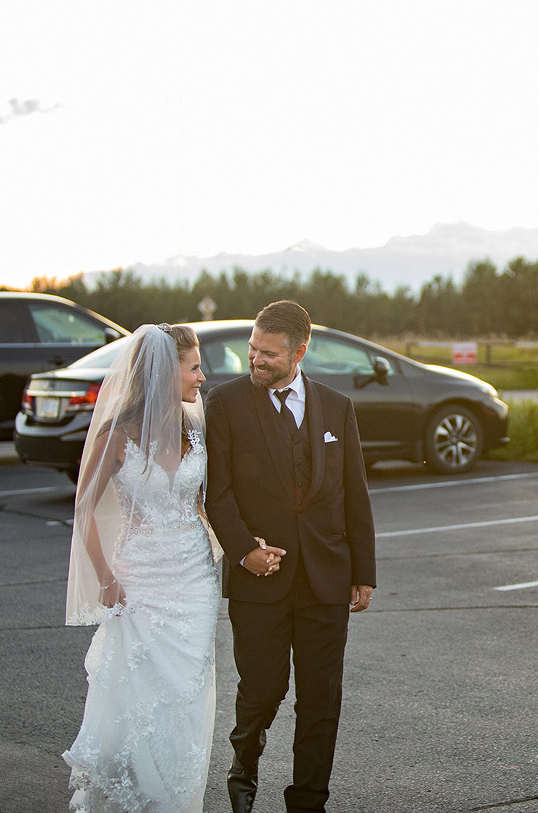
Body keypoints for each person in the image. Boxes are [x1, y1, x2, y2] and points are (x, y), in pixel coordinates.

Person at [204, 300, 376, 813]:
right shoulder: (226, 404)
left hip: (326, 578)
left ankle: (308, 801)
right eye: (252, 350)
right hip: (260, 580)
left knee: (322, 700)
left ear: (300, 351)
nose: (255, 360)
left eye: (268, 354)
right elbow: (217, 492)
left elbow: (355, 494)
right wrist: (243, 552)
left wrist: (362, 572)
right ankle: (244, 770)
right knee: (262, 691)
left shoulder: (336, 407)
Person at [62, 323, 221, 811]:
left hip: (195, 580)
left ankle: (179, 798)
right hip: (138, 583)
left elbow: (205, 502)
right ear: (162, 371)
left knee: (188, 696)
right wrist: (105, 577)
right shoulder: (117, 433)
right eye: (193, 367)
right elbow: (84, 508)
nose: (202, 377)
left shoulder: (194, 427)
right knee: (138, 696)